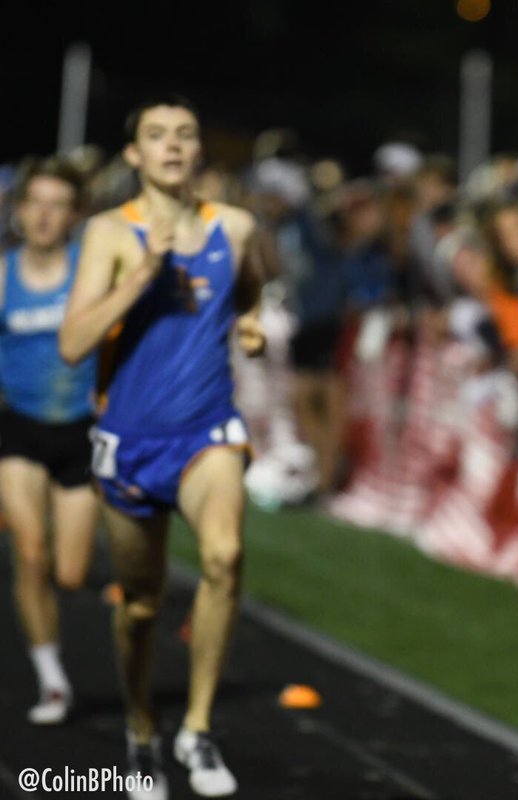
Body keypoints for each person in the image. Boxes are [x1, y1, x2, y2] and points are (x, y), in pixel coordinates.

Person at [59, 94, 268, 800]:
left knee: (224, 555)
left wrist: (251, 325)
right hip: (130, 441)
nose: (173, 145)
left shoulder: (234, 226)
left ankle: (198, 727)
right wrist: (143, 278)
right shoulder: (109, 235)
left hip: (207, 431)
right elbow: (74, 344)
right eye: (157, 135)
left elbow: (251, 289)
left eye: (185, 133)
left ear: (198, 150)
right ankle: (142, 724)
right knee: (142, 604)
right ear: (134, 154)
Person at [0, 158, 98, 725]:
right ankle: (52, 678)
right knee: (30, 551)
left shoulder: (89, 271)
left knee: (70, 574)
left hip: (79, 432)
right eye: (34, 202)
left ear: (74, 216)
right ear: (18, 210)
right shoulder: (4, 275)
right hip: (20, 428)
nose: (43, 215)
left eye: (57, 204)